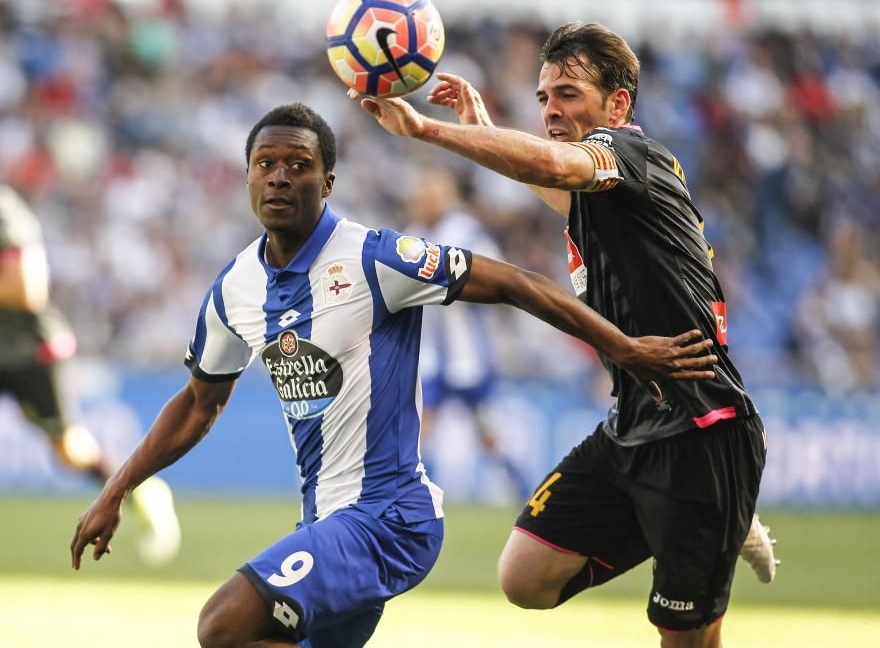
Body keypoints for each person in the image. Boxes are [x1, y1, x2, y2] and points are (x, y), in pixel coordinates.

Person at [70, 103, 719, 648]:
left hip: (388, 518)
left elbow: (518, 284)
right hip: (324, 524)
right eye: (265, 164)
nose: (279, 178)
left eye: (299, 166)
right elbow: (197, 404)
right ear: (246, 178)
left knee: (224, 624)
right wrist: (116, 489)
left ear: (327, 182)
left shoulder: (377, 258)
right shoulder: (235, 289)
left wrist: (626, 348)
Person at [352, 22, 778, 647]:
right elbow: (557, 184)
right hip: (632, 422)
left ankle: (713, 523)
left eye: (569, 94)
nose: (552, 109)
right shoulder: (605, 191)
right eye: (544, 97)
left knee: (685, 637)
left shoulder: (632, 153)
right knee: (525, 575)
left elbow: (558, 165)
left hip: (701, 431)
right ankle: (716, 527)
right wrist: (485, 128)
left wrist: (428, 130)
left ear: (619, 104)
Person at [0, 184, 180, 566]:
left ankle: (142, 492)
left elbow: (26, 289)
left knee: (69, 447)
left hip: (26, 349)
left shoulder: (6, 211)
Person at [405, 164, 531, 500]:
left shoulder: (467, 233)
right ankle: (412, 494)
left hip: (468, 354)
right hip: (429, 354)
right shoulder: (411, 236)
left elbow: (500, 278)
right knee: (418, 428)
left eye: (433, 193)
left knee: (487, 432)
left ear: (449, 197)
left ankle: (521, 487)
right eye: (423, 193)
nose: (426, 199)